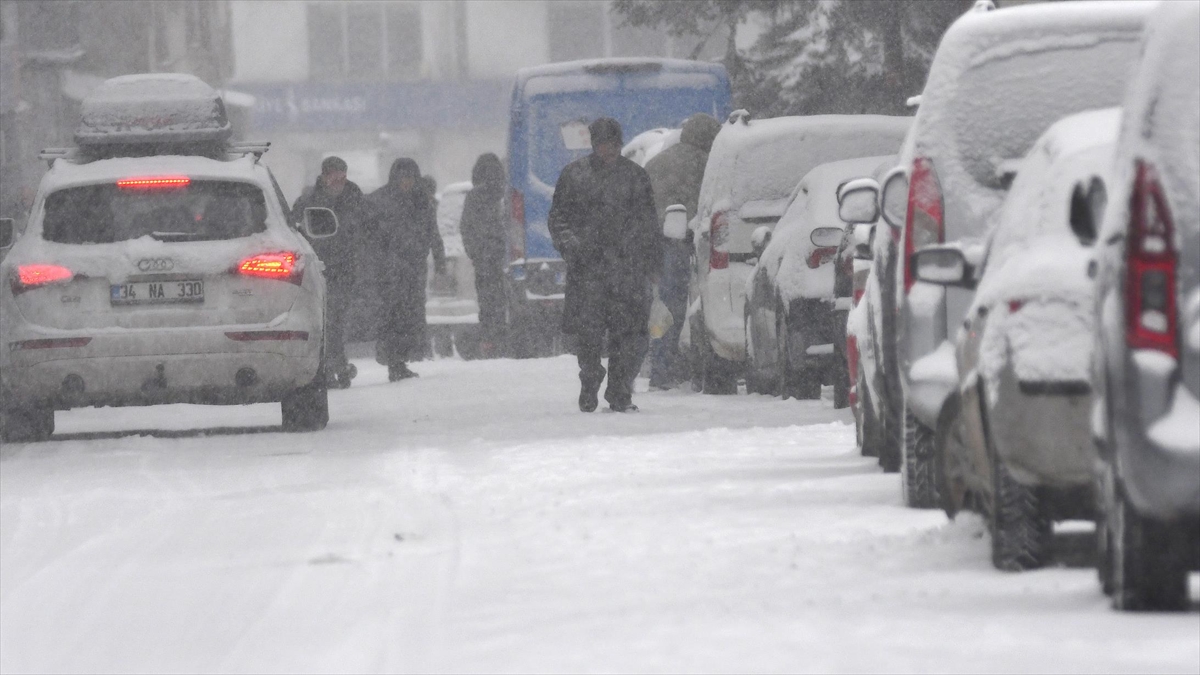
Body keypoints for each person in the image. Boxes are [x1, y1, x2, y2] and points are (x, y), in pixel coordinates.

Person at [548, 118, 660, 413]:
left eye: (613, 144)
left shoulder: (636, 177)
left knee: (631, 334)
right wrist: (571, 245)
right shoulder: (575, 176)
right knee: (588, 335)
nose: (608, 150)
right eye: (602, 145)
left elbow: (649, 223)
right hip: (589, 271)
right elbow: (558, 218)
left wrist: (650, 261)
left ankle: (620, 391)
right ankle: (590, 378)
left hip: (627, 271)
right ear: (593, 145)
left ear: (620, 144)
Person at [643, 113, 722, 390]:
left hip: (654, 242)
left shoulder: (657, 161)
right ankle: (681, 366)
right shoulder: (705, 164)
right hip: (684, 243)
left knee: (665, 306)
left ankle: (660, 366)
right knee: (690, 304)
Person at [291, 155, 371, 388]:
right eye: (334, 175)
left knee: (335, 320)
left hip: (346, 268)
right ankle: (331, 367)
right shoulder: (309, 201)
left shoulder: (355, 198)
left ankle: (333, 366)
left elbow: (368, 230)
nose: (339, 180)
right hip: (319, 269)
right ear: (325, 176)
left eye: (343, 174)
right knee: (324, 322)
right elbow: (296, 229)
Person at [369, 158, 446, 381]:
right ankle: (394, 362)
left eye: (410, 178)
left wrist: (440, 263)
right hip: (389, 271)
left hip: (414, 269)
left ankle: (402, 360)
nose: (407, 183)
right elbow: (369, 236)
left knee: (410, 316)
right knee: (392, 316)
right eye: (403, 178)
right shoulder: (380, 201)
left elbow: (433, 233)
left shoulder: (422, 201)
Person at [460, 152, 509, 358]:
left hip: (485, 258)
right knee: (504, 299)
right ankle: (503, 339)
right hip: (504, 256)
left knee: (488, 301)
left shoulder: (474, 196)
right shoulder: (504, 194)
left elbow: (466, 227)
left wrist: (475, 253)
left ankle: (490, 341)